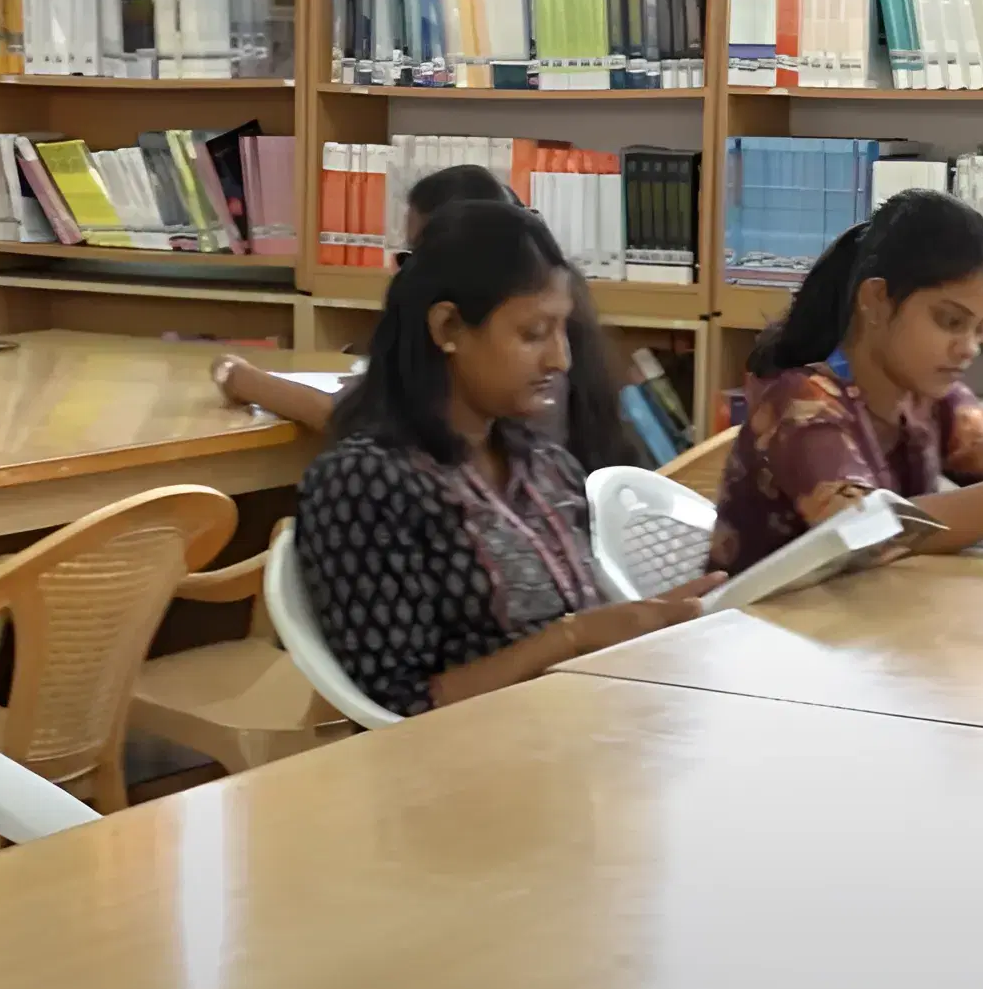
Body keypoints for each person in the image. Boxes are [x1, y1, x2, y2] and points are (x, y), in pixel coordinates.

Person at [294, 201, 714, 717]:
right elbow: (402, 708)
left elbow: (586, 622)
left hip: (580, 733)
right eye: (533, 334)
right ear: (447, 328)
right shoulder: (364, 483)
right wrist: (573, 638)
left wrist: (659, 620)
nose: (560, 359)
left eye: (563, 331)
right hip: (466, 767)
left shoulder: (544, 463)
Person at [710, 188, 983, 573]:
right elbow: (872, 533)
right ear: (876, 300)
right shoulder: (800, 403)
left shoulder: (933, 400)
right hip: (749, 637)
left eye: (980, 328)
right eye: (950, 321)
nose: (968, 347)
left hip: (855, 629)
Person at [215, 166, 641, 473]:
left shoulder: (507, 392)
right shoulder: (556, 318)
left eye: (417, 255)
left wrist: (241, 377)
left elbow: (352, 416)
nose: (557, 358)